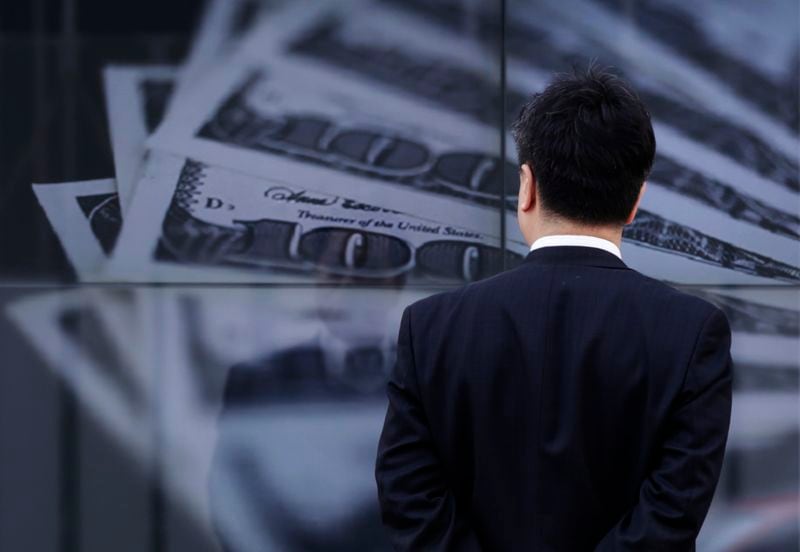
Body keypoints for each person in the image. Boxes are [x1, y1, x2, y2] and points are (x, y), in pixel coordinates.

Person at [374, 66, 733, 551]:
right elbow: (671, 513)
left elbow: (409, 497)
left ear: (527, 186)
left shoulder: (431, 327)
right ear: (635, 202)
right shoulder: (692, 333)